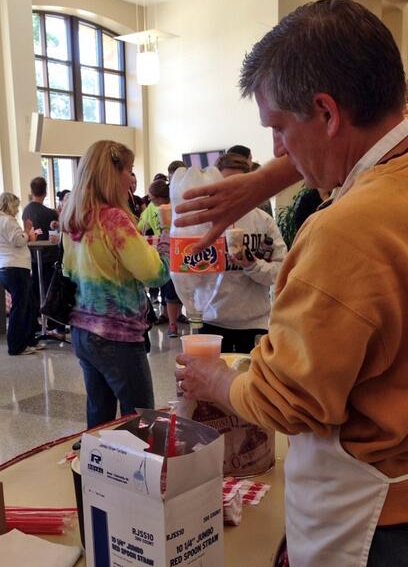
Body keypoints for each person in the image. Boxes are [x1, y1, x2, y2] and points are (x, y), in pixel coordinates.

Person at [175, 0, 408, 567]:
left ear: (327, 111)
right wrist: (263, 181)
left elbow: (294, 398)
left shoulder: (348, 230)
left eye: (279, 127)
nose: (277, 146)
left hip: (378, 523)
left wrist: (216, 378)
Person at [61, 140, 170, 429]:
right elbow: (155, 274)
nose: (132, 179)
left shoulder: (74, 218)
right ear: (112, 174)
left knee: (99, 418)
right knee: (141, 420)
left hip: (83, 330)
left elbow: (69, 269)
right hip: (117, 334)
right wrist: (168, 236)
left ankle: (96, 470)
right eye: (129, 170)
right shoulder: (114, 220)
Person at [195, 151, 286, 353]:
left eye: (239, 183)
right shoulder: (202, 223)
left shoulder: (263, 222)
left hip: (253, 323)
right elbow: (189, 276)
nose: (232, 191)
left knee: (247, 382)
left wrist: (252, 265)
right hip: (211, 320)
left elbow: (281, 272)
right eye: (226, 184)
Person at [0, 191, 42, 356]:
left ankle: (28, 340)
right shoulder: (8, 221)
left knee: (29, 305)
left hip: (5, 268)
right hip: (15, 269)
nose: (17, 211)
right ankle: (16, 346)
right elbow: (18, 241)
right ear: (10, 205)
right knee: (20, 308)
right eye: (16, 207)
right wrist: (28, 232)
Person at [138, 179, 185, 338]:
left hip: (174, 252)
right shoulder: (155, 209)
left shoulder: (174, 209)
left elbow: (140, 226)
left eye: (151, 198)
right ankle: (172, 320)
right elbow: (142, 225)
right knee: (171, 288)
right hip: (172, 252)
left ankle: (174, 320)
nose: (150, 201)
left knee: (174, 288)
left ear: (158, 198)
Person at [22, 176, 62, 339]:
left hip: (32, 257)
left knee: (38, 290)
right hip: (49, 257)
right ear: (45, 192)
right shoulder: (50, 213)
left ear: (31, 192)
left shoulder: (26, 212)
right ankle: (55, 323)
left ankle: (40, 322)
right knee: (51, 291)